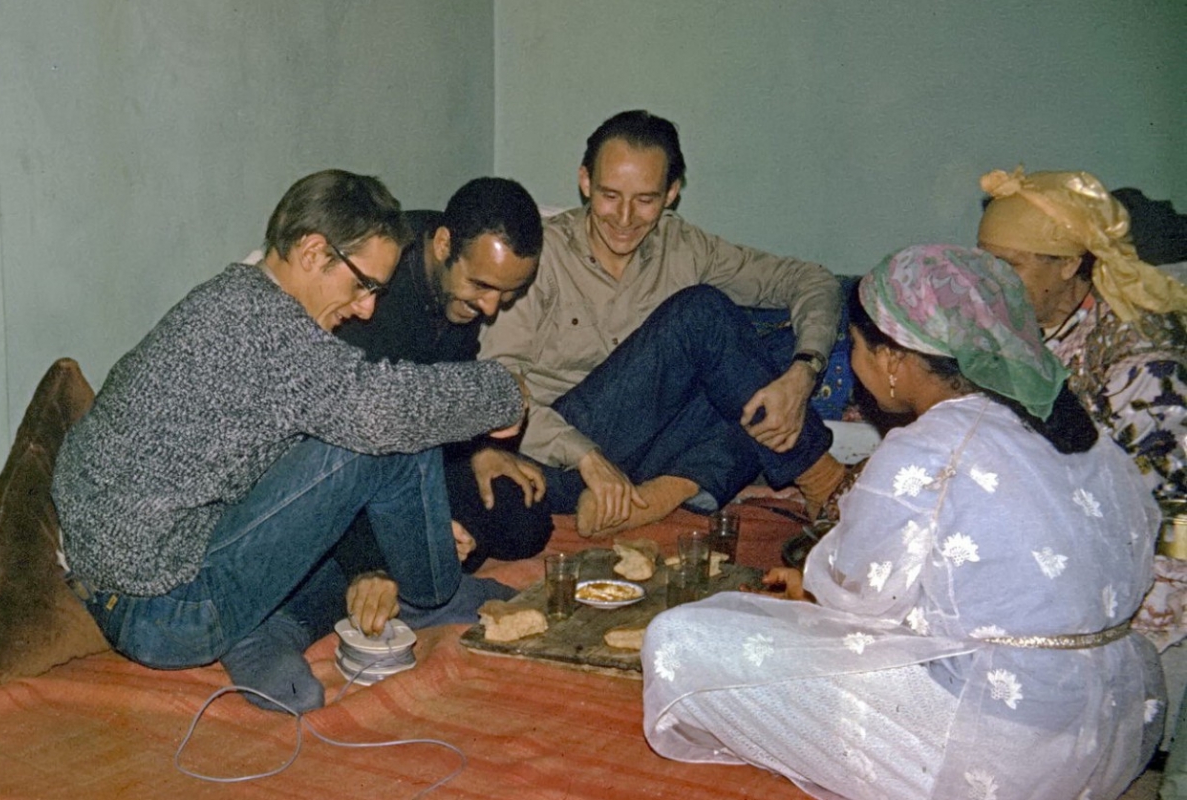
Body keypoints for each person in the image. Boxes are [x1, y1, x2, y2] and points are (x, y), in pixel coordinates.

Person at [642, 244, 1165, 799]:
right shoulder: (1074, 425)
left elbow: (861, 600)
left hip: (1002, 749)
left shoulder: (930, 446)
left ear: (892, 359)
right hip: (1107, 721)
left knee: (681, 640)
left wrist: (815, 589)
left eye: (856, 348)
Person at [51, 169, 527, 714]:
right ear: (312, 251)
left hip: (136, 582)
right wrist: (504, 391)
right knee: (391, 431)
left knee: (353, 515)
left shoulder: (232, 296)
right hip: (169, 609)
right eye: (363, 284)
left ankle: (269, 626)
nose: (367, 308)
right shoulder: (267, 329)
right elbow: (382, 413)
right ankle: (433, 596)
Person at [478, 110, 846, 538]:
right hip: (562, 460)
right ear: (584, 182)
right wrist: (587, 456)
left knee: (776, 355)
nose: (625, 217)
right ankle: (825, 480)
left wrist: (805, 372)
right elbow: (495, 393)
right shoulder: (541, 258)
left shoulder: (684, 246)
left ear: (671, 193)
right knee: (702, 314)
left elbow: (813, 280)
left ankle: (658, 496)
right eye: (610, 195)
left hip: (650, 452)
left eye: (646, 199)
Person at [336, 176, 552, 574]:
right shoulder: (378, 288)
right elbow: (351, 442)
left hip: (429, 449)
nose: (491, 308)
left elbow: (456, 378)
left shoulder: (460, 280)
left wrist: (480, 451)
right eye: (481, 286)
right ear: (442, 245)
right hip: (354, 466)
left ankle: (437, 547)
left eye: (508, 295)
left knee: (524, 520)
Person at [978, 167, 1187, 499]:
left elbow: (1153, 493)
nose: (988, 280)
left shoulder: (1141, 358)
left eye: (1008, 265)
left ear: (1068, 264)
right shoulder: (1004, 324)